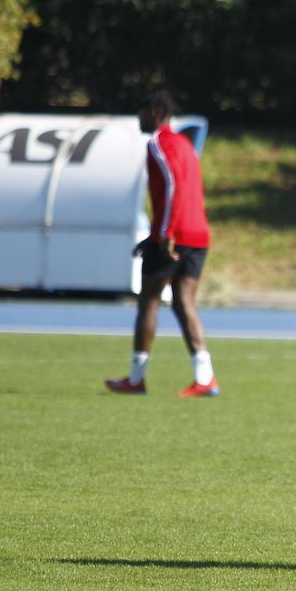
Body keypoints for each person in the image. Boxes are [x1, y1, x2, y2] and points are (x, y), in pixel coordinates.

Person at [105, 90, 219, 398]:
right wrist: (153, 234)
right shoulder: (185, 145)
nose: (138, 119)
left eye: (141, 112)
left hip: (175, 235)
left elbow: (172, 186)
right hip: (197, 234)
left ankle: (136, 379)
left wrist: (165, 233)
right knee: (184, 303)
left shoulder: (159, 142)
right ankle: (205, 377)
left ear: (156, 112)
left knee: (149, 301)